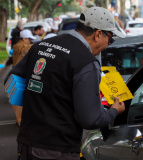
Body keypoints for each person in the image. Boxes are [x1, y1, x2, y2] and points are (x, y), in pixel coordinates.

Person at [4, 7, 125, 160]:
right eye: (110, 38)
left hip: (27, 143)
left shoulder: (42, 46)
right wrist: (114, 111)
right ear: (98, 34)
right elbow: (90, 119)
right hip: (57, 150)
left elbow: (11, 80)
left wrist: (37, 102)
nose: (109, 43)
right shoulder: (86, 63)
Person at [11, 29, 35, 126]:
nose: (30, 41)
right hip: (21, 74)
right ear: (24, 38)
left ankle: (19, 120)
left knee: (17, 99)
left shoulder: (16, 45)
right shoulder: (25, 47)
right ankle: (20, 122)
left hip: (15, 71)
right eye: (29, 39)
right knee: (21, 100)